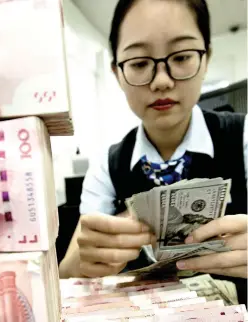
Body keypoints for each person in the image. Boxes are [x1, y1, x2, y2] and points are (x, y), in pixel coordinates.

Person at [59, 0, 247, 306]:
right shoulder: (107, 166)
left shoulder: (243, 137)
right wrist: (82, 264)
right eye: (139, 63)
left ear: (207, 57)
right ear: (117, 72)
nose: (161, 81)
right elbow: (66, 277)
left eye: (182, 56)